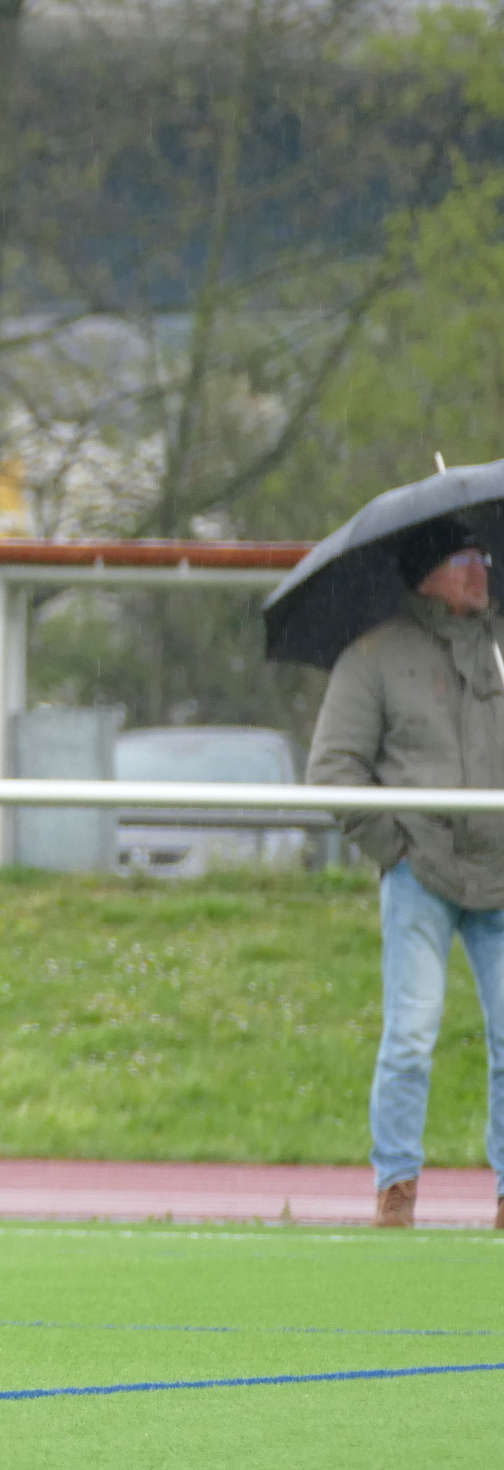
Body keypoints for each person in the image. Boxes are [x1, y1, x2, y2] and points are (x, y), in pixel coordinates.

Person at [307, 515, 504, 1230]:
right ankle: (396, 1189)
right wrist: (395, 848)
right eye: (463, 558)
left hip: (500, 874)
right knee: (412, 1035)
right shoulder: (373, 657)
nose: (481, 570)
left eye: (482, 556)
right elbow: (334, 770)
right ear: (426, 574)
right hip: (420, 874)